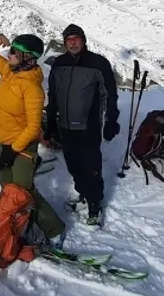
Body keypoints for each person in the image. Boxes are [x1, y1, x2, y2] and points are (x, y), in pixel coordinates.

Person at [0, 32, 65, 243]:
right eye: (11, 50)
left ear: (27, 57)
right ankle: (15, 225)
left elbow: (34, 126)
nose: (9, 54)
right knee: (7, 187)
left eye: (14, 52)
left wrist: (14, 149)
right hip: (3, 143)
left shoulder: (32, 89)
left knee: (22, 191)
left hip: (23, 147)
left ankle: (53, 229)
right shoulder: (9, 71)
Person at [43, 24, 119, 225]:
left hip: (89, 126)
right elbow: (53, 95)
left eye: (76, 38)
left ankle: (95, 204)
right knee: (73, 164)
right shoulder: (59, 63)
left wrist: (112, 119)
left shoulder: (98, 63)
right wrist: (50, 123)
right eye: (69, 39)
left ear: (83, 40)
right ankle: (84, 194)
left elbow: (109, 93)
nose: (72, 42)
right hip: (65, 126)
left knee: (91, 166)